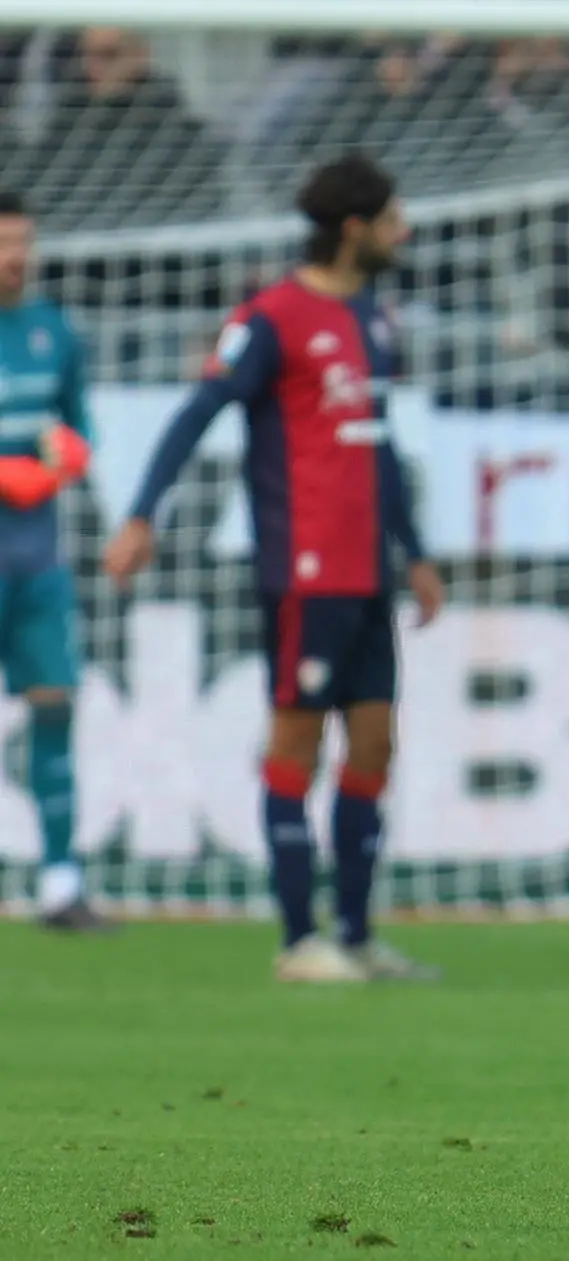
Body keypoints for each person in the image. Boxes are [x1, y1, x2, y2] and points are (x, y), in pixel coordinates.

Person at [103, 153, 446, 985]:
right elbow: (198, 411)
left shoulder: (374, 320)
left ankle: (357, 932)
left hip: (368, 569)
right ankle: (299, 938)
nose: (406, 233)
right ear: (356, 229)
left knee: (375, 745)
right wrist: (145, 512)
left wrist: (419, 553)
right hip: (305, 565)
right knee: (297, 735)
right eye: (394, 219)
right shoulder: (270, 318)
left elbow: (380, 447)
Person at [0, 192, 103, 930]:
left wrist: (63, 459)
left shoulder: (52, 332)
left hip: (36, 560)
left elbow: (78, 427)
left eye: (23, 242)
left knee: (55, 706)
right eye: (5, 243)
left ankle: (62, 882)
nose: (15, 257)